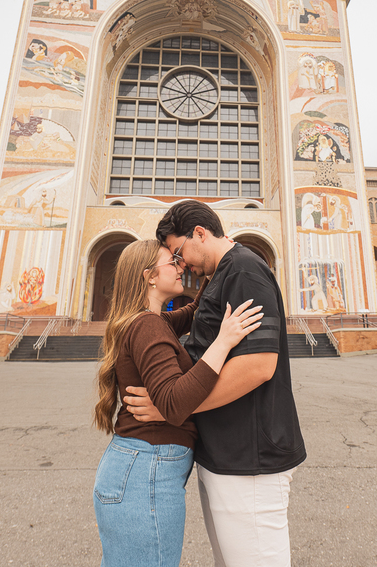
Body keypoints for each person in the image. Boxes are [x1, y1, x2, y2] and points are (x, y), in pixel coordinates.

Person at [124, 200, 306, 567]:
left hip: (249, 460)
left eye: (179, 252)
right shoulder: (220, 274)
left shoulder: (243, 270)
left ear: (201, 234)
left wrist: (174, 406)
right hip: (223, 455)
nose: (182, 263)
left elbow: (258, 366)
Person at [92, 239, 263, 567]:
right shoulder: (147, 325)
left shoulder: (149, 322)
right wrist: (225, 341)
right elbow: (173, 402)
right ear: (150, 277)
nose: (180, 266)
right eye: (172, 262)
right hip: (146, 472)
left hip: (136, 467)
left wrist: (215, 265)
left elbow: (191, 313)